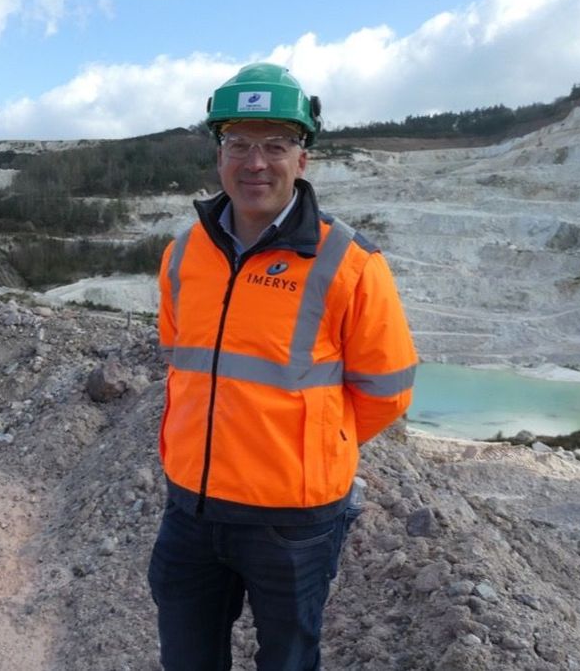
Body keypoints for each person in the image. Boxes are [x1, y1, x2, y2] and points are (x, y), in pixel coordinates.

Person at [148, 62, 418, 670]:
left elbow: (386, 391)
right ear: (219, 154)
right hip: (190, 508)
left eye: (275, 144)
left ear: (303, 158)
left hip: (292, 524)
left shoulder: (349, 262)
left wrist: (309, 449)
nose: (255, 162)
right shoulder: (183, 253)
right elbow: (179, 360)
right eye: (238, 143)